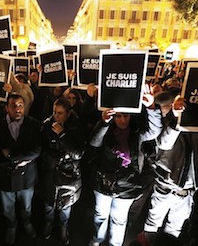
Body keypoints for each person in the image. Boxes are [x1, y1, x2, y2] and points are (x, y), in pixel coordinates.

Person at [88, 88, 162, 246]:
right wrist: (103, 123)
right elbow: (94, 142)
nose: (122, 120)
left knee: (119, 220)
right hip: (103, 183)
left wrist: (151, 107)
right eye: (118, 117)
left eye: (125, 116)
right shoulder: (107, 130)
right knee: (100, 215)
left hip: (127, 187)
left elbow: (155, 130)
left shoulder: (137, 133)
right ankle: (97, 240)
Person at [0, 93, 42, 245]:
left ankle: (26, 223)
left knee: (26, 206)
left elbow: (37, 150)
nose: (17, 109)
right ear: (6, 108)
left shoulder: (34, 124)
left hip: (27, 177)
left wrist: (11, 155)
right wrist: (20, 160)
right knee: (8, 208)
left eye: (20, 105)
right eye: (13, 105)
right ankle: (11, 226)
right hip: (5, 177)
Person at [39, 98, 85, 244]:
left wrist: (62, 135)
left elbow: (78, 153)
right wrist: (52, 158)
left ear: (68, 113)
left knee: (65, 207)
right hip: (50, 173)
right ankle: (48, 224)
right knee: (48, 205)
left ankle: (63, 227)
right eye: (54, 112)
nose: (56, 116)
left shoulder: (76, 127)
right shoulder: (47, 125)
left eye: (60, 113)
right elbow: (40, 148)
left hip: (68, 176)